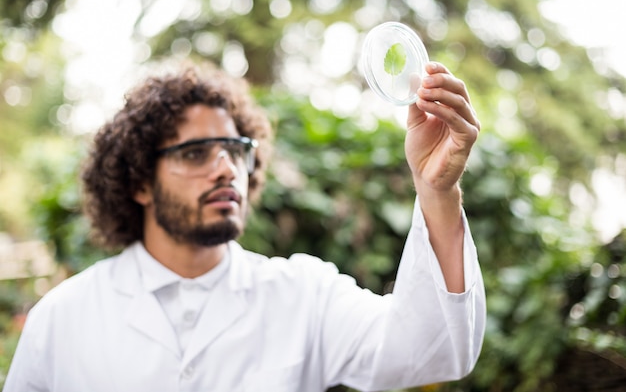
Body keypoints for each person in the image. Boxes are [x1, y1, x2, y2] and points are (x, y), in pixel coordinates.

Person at [5, 60, 485, 392]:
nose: (225, 168)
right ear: (139, 184)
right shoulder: (62, 318)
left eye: (235, 150)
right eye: (195, 153)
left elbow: (432, 350)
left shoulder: (304, 294)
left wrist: (436, 190)